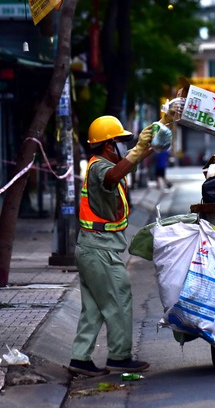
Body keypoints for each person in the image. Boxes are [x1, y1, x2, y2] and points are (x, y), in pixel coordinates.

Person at [67, 115, 158, 377]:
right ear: (108, 145)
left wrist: (156, 137)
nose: (125, 148)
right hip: (99, 250)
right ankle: (119, 357)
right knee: (119, 298)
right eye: (120, 142)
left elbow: (127, 164)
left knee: (94, 307)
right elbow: (115, 175)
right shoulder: (99, 168)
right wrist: (140, 149)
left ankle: (80, 359)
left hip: (91, 248)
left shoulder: (104, 163)